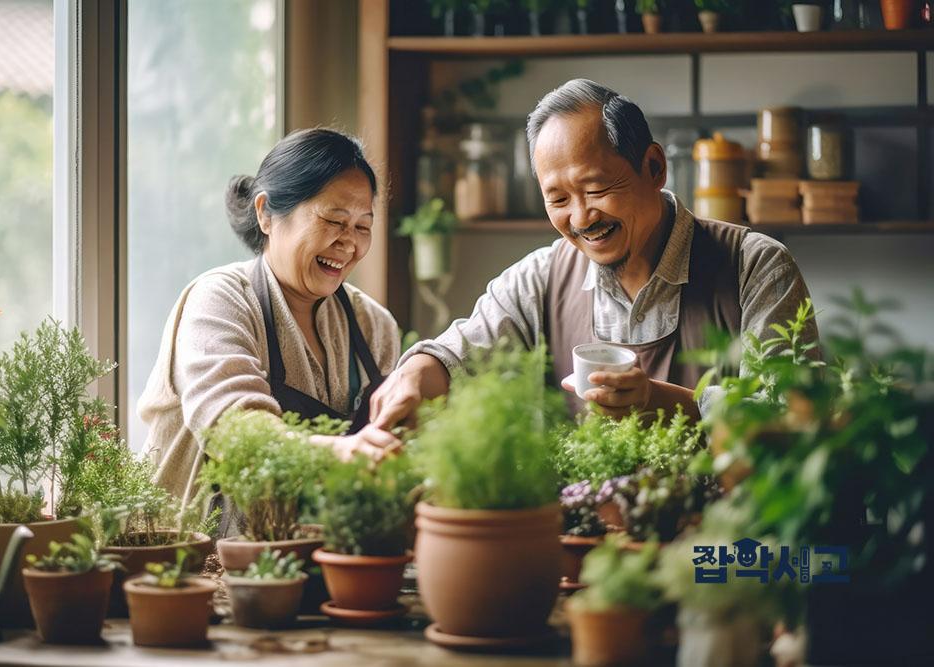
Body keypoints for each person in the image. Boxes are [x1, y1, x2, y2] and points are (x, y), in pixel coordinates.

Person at [370, 79, 818, 427]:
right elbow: (460, 353)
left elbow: (795, 417)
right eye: (559, 200)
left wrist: (661, 402)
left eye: (597, 189)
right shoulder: (543, 278)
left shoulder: (753, 266)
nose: (582, 218)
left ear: (654, 168)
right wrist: (414, 375)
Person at [139, 128, 402, 509]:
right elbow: (236, 432)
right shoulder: (220, 301)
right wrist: (339, 453)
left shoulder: (373, 325)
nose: (349, 242)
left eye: (363, 226)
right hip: (194, 554)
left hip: (319, 553)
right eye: (333, 220)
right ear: (265, 214)